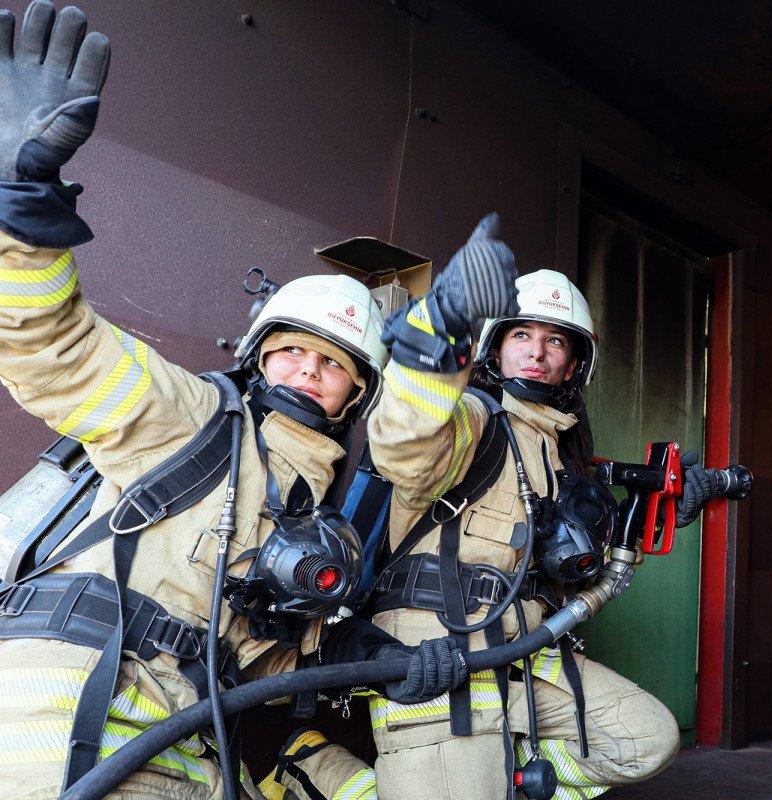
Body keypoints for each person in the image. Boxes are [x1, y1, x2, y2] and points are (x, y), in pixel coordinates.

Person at [0, 4, 458, 798]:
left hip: (187, 734)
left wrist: (381, 658)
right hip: (72, 717)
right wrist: (21, 201)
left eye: (332, 363)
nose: (308, 370)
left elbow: (260, 658)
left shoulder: (314, 502)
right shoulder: (191, 416)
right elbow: (52, 346)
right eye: (291, 351)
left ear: (355, 394)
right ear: (257, 357)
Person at [277, 215, 694, 800]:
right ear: (496, 346)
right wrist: (438, 336)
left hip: (524, 657)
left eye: (555, 341)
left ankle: (508, 778)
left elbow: (570, 580)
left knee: (646, 738)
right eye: (522, 335)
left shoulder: (558, 454)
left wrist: (653, 517)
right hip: (432, 658)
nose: (537, 352)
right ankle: (307, 767)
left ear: (574, 364)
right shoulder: (473, 419)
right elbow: (403, 442)